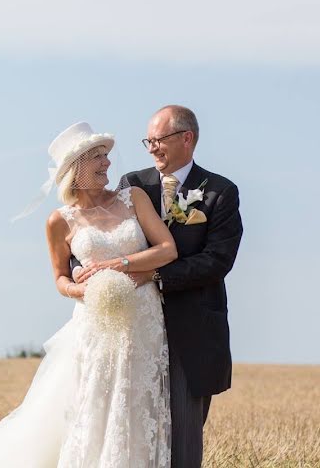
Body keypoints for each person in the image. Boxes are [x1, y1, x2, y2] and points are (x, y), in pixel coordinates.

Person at [0, 122, 177, 467]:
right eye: (98, 157)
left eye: (107, 156)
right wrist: (86, 289)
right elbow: (61, 280)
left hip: (144, 321)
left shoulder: (133, 198)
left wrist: (119, 264)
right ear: (76, 167)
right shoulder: (59, 221)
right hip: (98, 323)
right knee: (95, 403)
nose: (108, 163)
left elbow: (167, 250)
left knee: (140, 404)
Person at [83, 105, 243, 468]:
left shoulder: (221, 192)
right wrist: (83, 269)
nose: (152, 148)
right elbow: (101, 235)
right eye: (148, 141)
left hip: (193, 332)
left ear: (187, 138)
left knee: (183, 444)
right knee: (131, 435)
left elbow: (218, 260)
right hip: (133, 331)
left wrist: (156, 277)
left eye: (160, 140)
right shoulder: (132, 185)